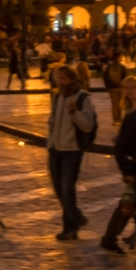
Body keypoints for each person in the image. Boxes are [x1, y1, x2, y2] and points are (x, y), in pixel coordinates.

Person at [46, 64, 97, 240]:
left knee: (67, 188)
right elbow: (52, 120)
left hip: (72, 150)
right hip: (55, 148)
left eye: (64, 78)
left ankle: (69, 228)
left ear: (72, 78)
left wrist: (74, 113)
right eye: (57, 77)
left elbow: (88, 125)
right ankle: (76, 218)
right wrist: (50, 140)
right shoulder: (57, 96)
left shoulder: (83, 98)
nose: (60, 81)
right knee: (58, 187)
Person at [101, 83, 136, 252]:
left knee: (129, 204)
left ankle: (109, 238)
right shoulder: (135, 119)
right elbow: (121, 148)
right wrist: (127, 170)